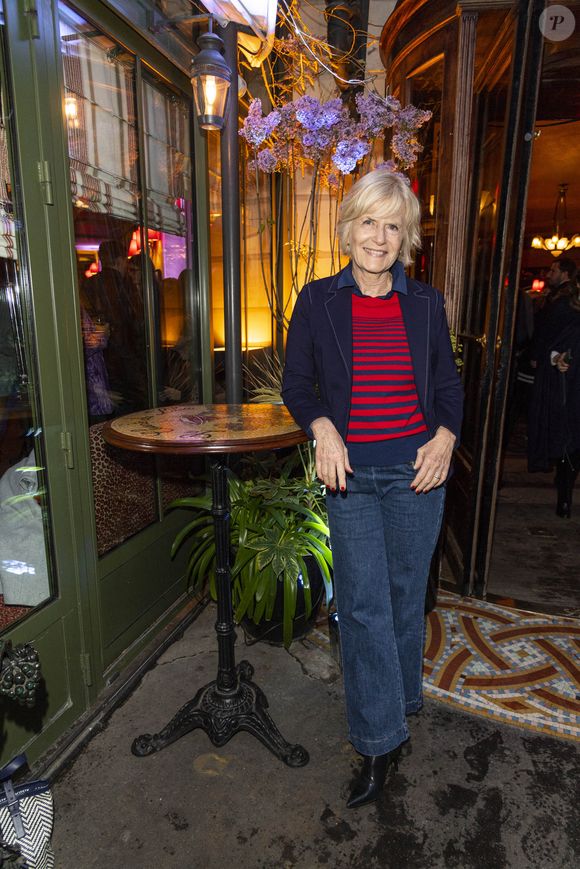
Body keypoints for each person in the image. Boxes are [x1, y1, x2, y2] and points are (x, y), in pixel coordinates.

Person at [282, 168, 463, 808]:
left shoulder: (424, 304)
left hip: (419, 476)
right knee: (361, 607)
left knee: (403, 597)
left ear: (406, 237)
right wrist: (323, 427)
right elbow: (296, 385)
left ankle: (401, 700)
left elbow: (447, 389)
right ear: (349, 228)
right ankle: (378, 742)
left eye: (393, 226)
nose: (379, 237)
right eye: (369, 221)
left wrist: (444, 438)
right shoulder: (317, 300)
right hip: (352, 476)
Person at [527, 257, 580, 516]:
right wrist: (558, 358)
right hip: (570, 381)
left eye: (554, 270)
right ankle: (565, 493)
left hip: (570, 383)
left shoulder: (564, 304)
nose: (550, 273)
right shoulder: (566, 303)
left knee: (571, 437)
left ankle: (565, 491)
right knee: (570, 437)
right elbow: (565, 345)